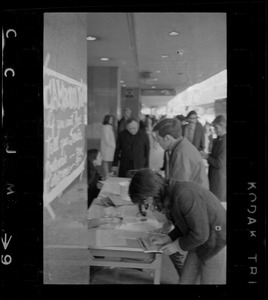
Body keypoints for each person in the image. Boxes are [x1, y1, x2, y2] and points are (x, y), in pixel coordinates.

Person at [128, 168, 226, 284]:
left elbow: (200, 234)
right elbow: (184, 224)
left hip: (216, 241)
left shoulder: (184, 194)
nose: (148, 205)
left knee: (209, 281)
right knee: (185, 281)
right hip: (200, 241)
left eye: (145, 202)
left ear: (149, 195)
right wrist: (167, 238)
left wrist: (176, 246)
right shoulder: (170, 193)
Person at [153, 117, 209, 189]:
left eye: (158, 139)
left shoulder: (181, 154)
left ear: (167, 138)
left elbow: (179, 188)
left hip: (194, 196)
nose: (157, 142)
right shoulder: (181, 145)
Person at [201, 115, 226, 204]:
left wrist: (207, 157)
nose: (214, 130)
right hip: (215, 177)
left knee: (217, 204)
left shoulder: (224, 142)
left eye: (216, 127)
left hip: (219, 180)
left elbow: (219, 163)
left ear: (223, 126)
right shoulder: (219, 139)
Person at [100, 114, 116, 178]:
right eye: (110, 119)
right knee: (105, 161)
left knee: (107, 161)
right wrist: (112, 145)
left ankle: (108, 174)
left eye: (112, 119)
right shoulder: (106, 127)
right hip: (107, 148)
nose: (111, 120)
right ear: (107, 119)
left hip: (108, 147)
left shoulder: (108, 127)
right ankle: (107, 174)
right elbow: (106, 138)